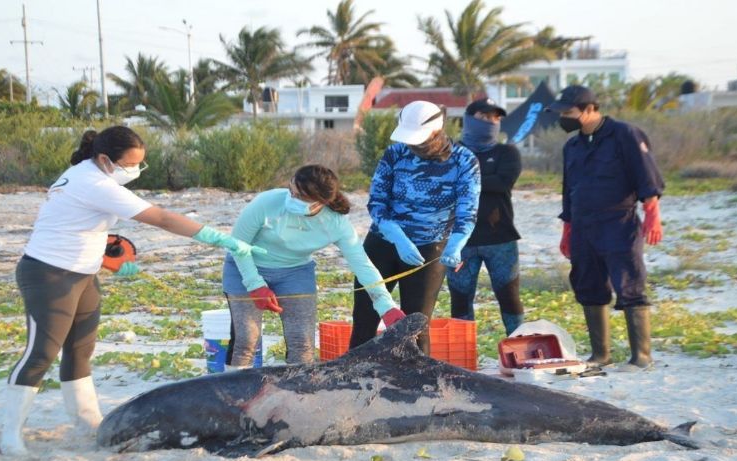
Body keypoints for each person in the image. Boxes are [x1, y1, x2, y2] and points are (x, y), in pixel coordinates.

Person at [0, 126, 261, 456]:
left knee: (80, 349)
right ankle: (10, 436)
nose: (135, 170)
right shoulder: (91, 181)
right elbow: (162, 218)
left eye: (141, 163)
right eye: (130, 164)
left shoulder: (96, 177)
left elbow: (76, 226)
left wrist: (110, 263)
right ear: (106, 159)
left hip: (82, 274)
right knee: (40, 353)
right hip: (49, 274)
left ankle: (87, 422)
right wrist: (217, 237)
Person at [223, 164, 405, 367]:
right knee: (246, 340)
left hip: (295, 272)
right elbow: (237, 246)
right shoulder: (267, 202)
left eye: (300, 196)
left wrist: (386, 306)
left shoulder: (336, 223)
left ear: (321, 202)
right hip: (244, 267)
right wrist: (255, 284)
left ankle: (297, 395)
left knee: (302, 343)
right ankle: (234, 396)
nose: (291, 198)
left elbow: (362, 265)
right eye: (291, 190)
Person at [548, 85, 665, 371]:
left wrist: (652, 214)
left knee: (629, 283)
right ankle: (601, 355)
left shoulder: (625, 134)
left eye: (569, 112)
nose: (564, 117)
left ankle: (642, 356)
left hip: (619, 221)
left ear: (589, 109)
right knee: (588, 284)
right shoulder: (572, 146)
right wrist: (568, 230)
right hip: (583, 225)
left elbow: (646, 174)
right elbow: (569, 190)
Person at [350, 100, 481, 355]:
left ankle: (416, 382)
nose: (413, 145)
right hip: (383, 241)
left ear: (436, 130)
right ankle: (355, 373)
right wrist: (396, 237)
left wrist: (455, 244)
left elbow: (468, 210)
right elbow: (377, 202)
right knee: (365, 313)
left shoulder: (464, 161)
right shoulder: (394, 154)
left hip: (429, 248)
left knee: (416, 322)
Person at [447, 98, 524, 335]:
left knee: (509, 298)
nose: (491, 122)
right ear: (470, 119)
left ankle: (519, 347)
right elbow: (446, 184)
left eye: (496, 118)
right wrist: (481, 180)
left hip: (500, 239)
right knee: (460, 300)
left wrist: (464, 180)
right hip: (460, 241)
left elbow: (503, 183)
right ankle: (463, 354)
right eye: (485, 116)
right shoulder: (452, 152)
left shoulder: (507, 152)